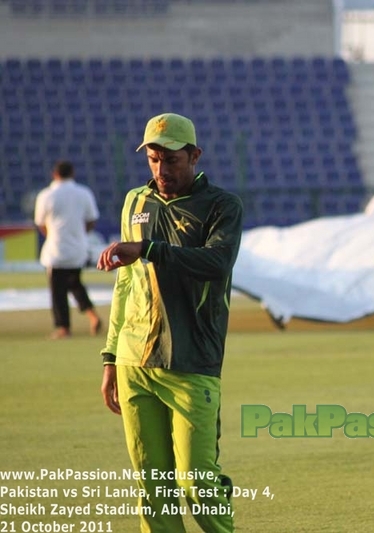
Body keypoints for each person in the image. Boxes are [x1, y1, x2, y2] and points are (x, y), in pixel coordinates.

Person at [97, 113, 243, 533]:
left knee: (197, 482)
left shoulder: (221, 206)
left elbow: (216, 263)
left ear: (194, 155)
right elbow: (125, 285)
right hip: (133, 363)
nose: (162, 170)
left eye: (172, 160)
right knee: (153, 488)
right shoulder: (135, 202)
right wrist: (110, 358)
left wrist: (148, 248)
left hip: (192, 362)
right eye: (154, 160)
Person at [33, 160, 102, 339]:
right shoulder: (84, 193)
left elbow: (40, 223)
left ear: (54, 174)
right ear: (72, 173)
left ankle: (63, 327)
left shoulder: (46, 195)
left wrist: (53, 235)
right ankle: (92, 315)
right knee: (75, 284)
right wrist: (80, 235)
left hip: (55, 250)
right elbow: (92, 219)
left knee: (58, 290)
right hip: (78, 249)